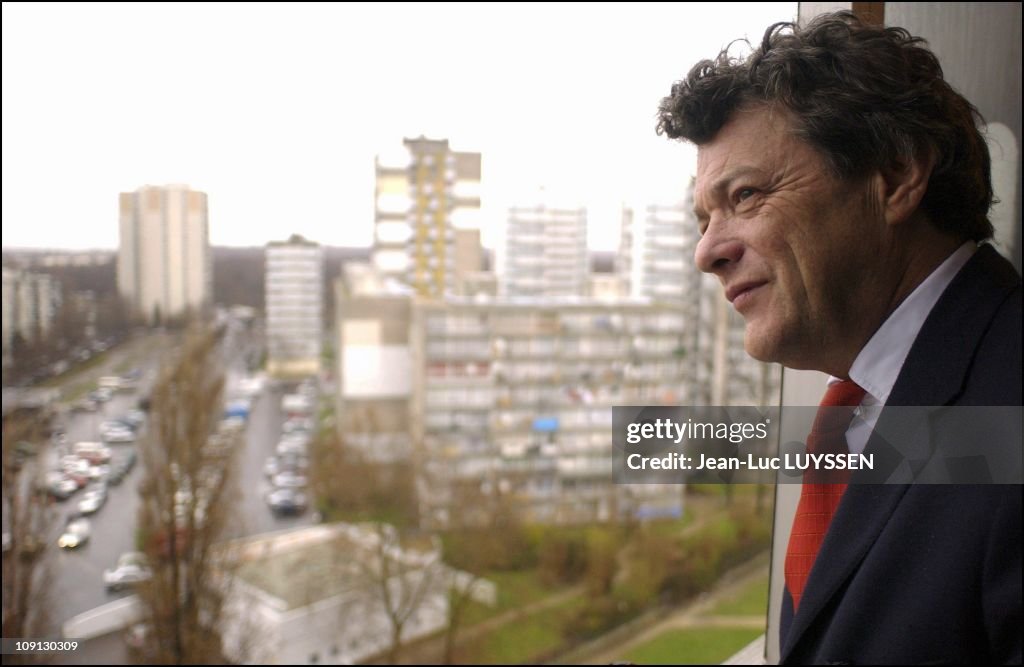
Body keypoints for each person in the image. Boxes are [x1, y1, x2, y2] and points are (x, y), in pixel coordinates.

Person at [657, 11, 1021, 665]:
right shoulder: (862, 403)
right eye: (702, 218)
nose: (705, 252)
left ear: (895, 175)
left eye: (744, 195)